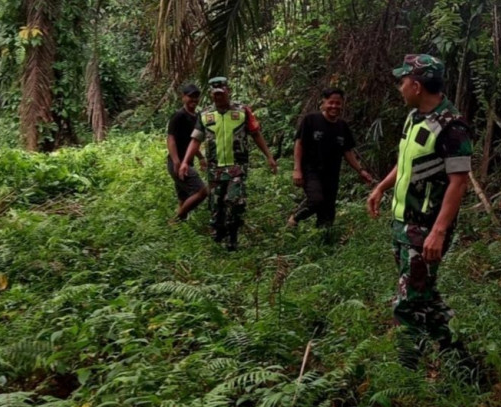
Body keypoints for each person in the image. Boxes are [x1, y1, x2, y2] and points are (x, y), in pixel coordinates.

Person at [367, 54, 474, 370]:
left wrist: (439, 231)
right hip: (403, 224)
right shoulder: (414, 118)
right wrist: (381, 188)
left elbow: (459, 182)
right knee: (422, 293)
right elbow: (405, 161)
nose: (399, 87)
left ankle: (406, 373)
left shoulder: (452, 128)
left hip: (426, 228)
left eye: (402, 81)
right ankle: (460, 359)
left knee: (407, 303)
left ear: (416, 85)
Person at [180, 77, 278, 251]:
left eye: (221, 93)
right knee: (216, 204)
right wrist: (185, 162)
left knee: (234, 201)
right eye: (215, 94)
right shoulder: (205, 115)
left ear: (228, 91)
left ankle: (232, 238)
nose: (218, 97)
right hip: (214, 169)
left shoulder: (242, 111)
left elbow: (256, 134)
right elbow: (195, 140)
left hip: (236, 168)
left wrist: (269, 156)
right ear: (211, 94)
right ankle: (218, 234)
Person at [287, 88, 374, 229]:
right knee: (316, 200)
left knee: (327, 214)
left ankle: (322, 243)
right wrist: (297, 169)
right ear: (323, 102)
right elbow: (299, 144)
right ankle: (294, 219)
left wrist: (360, 170)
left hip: (332, 174)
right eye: (331, 102)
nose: (334, 106)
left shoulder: (342, 126)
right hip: (311, 170)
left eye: (338, 103)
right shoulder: (311, 120)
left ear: (342, 104)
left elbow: (347, 151)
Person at [167, 83, 209, 221]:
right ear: (183, 97)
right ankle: (176, 220)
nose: (194, 100)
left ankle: (178, 230)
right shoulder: (179, 116)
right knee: (201, 191)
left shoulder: (197, 116)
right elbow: (171, 139)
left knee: (183, 197)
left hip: (187, 162)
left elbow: (193, 141)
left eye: (196, 97)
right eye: (191, 97)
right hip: (177, 163)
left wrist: (201, 158)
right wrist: (176, 161)